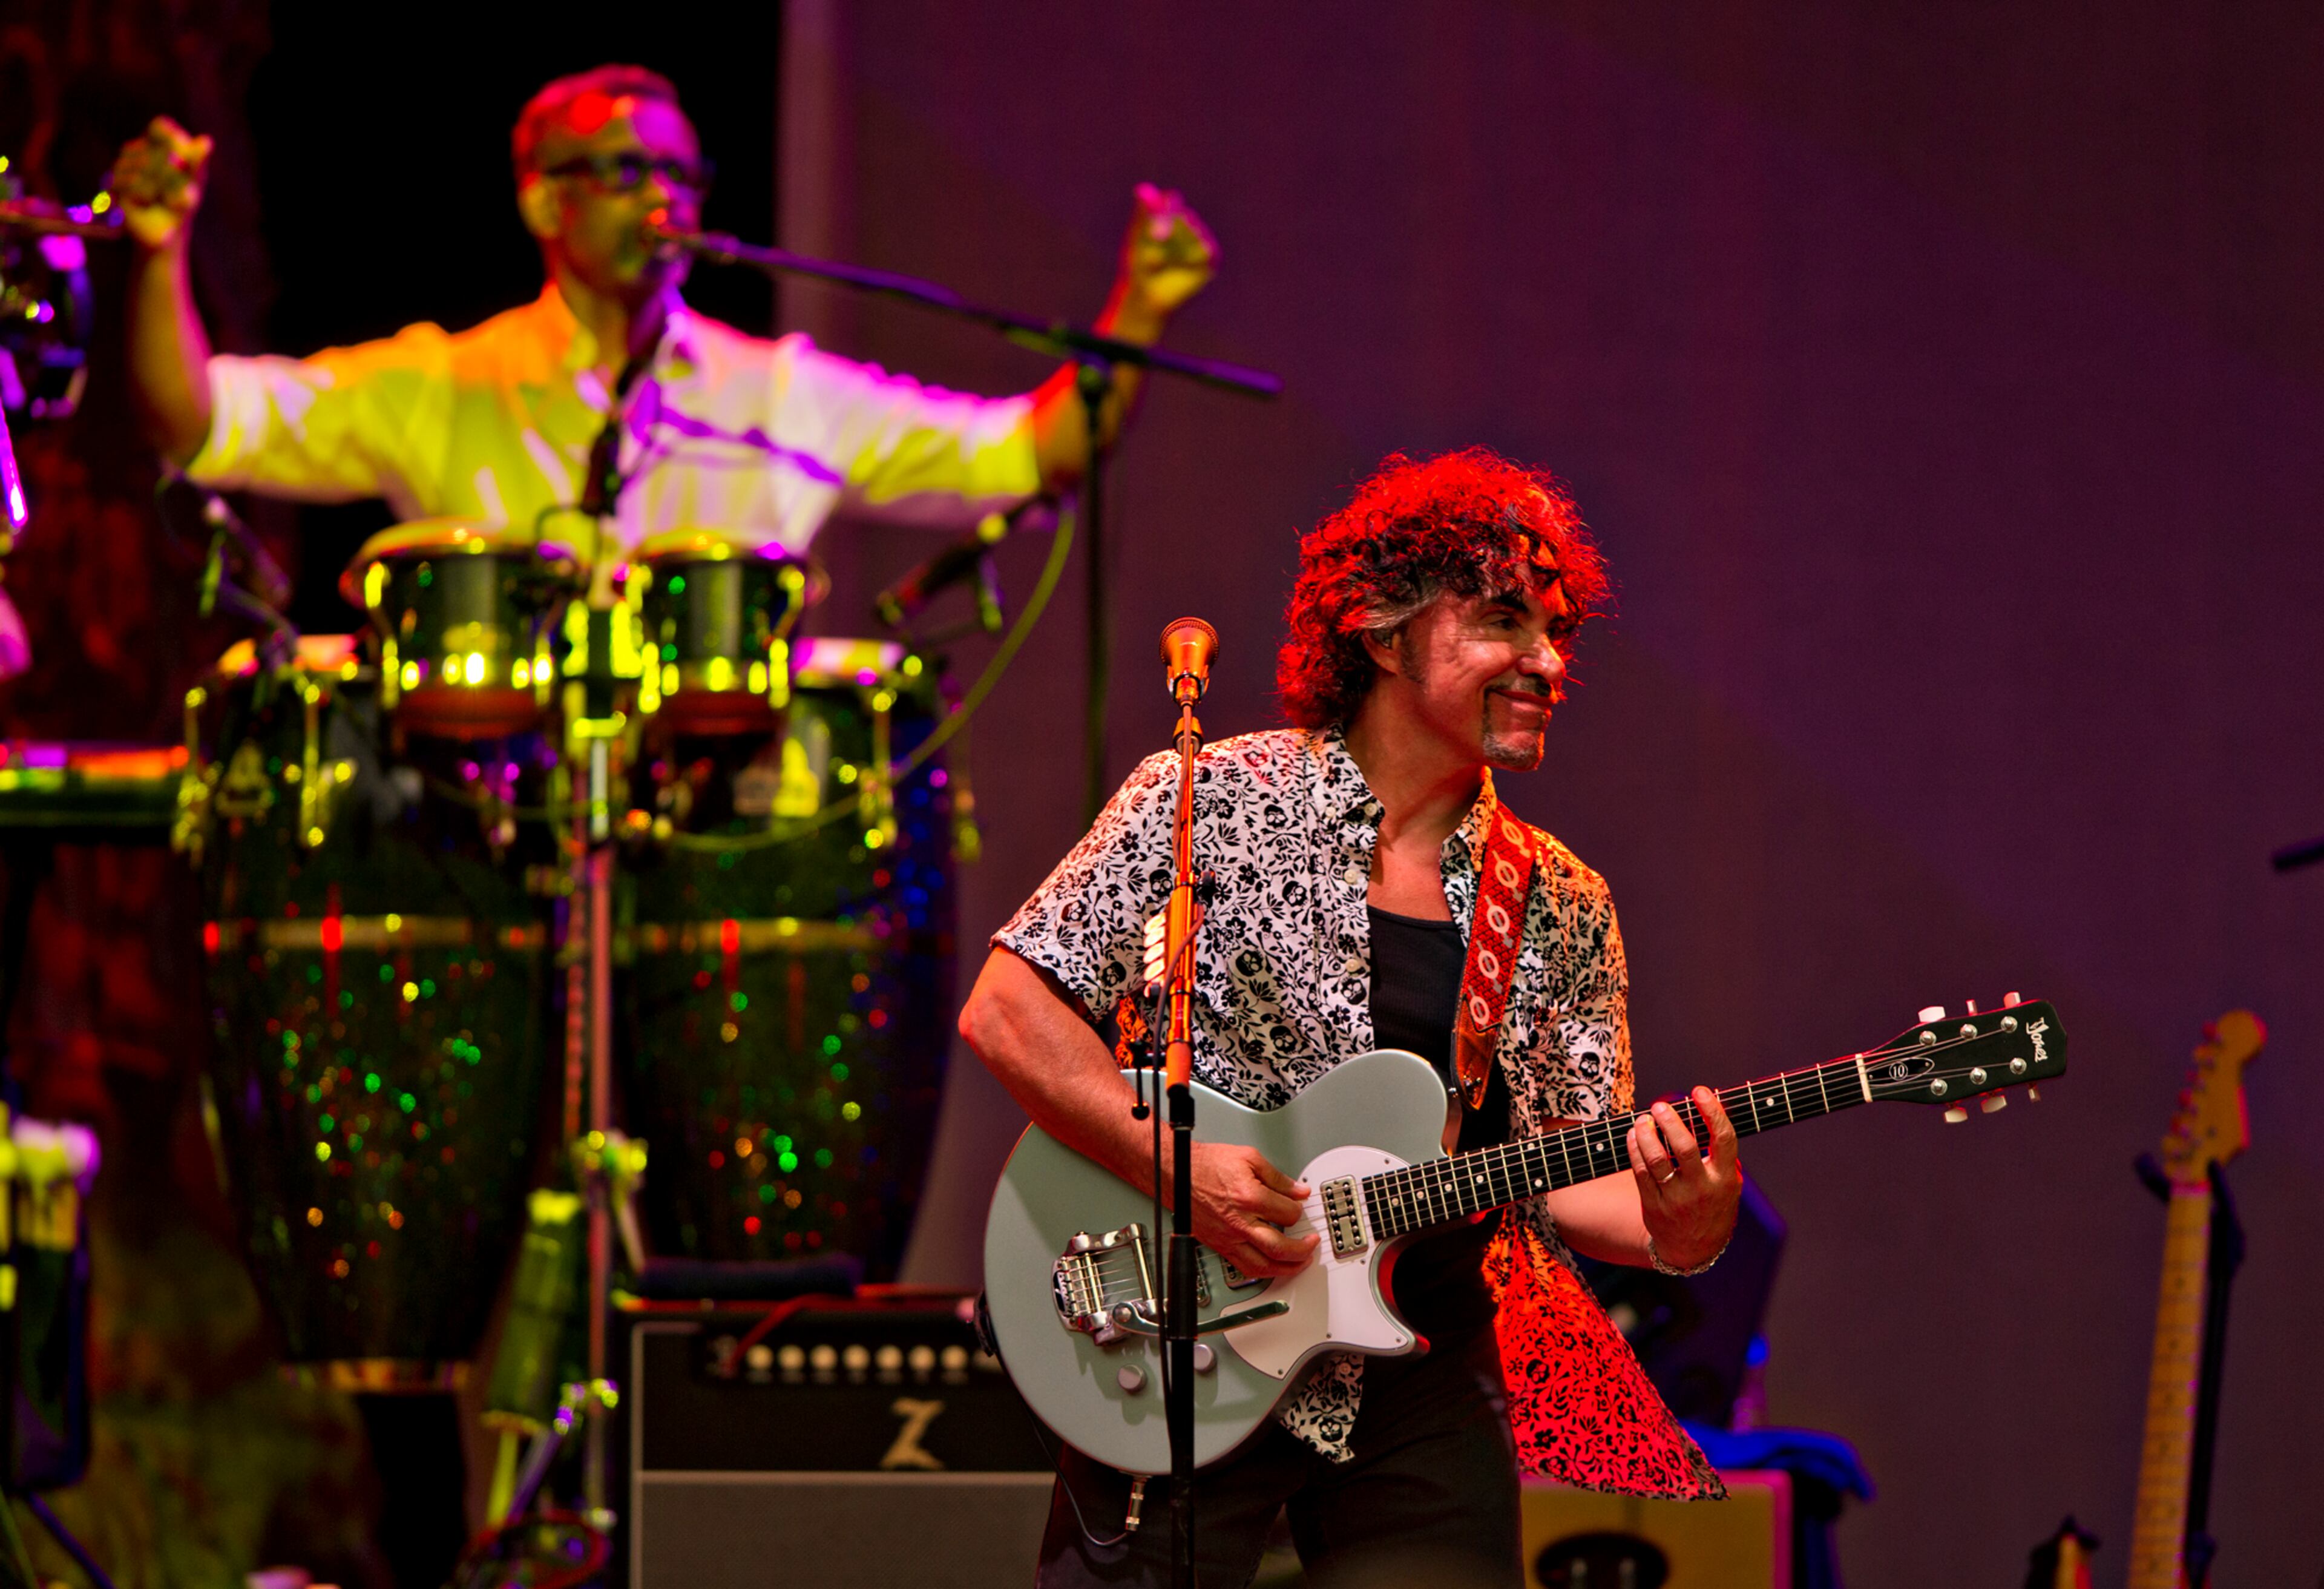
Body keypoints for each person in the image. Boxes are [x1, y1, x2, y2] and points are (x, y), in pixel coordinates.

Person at [959, 449, 1745, 1588]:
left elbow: (1569, 1168)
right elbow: (1008, 1014)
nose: (1545, 660)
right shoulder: (1210, 801)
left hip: (1415, 1370)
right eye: (1503, 622)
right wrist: (1179, 1172)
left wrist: (1688, 1224)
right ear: (1381, 636)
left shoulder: (1560, 898)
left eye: (1558, 631)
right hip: (1189, 1327)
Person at [105, 64, 1215, 558]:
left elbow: (1030, 452)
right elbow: (196, 423)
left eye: (682, 179)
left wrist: (1138, 310)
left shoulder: (780, 394)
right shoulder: (443, 381)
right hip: (491, 866)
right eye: (628, 172)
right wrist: (158, 256)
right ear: (544, 196)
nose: (664, 201)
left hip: (733, 881)